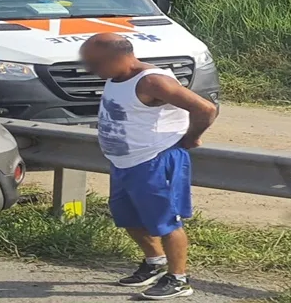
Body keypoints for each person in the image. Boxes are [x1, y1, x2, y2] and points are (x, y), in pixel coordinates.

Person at [80, 33, 217, 300]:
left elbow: (206, 109)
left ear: (116, 58)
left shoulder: (153, 82)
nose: (89, 70)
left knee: (166, 222)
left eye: (94, 64)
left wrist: (191, 137)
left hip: (154, 161)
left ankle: (179, 280)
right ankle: (155, 262)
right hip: (124, 163)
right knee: (127, 216)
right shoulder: (115, 77)